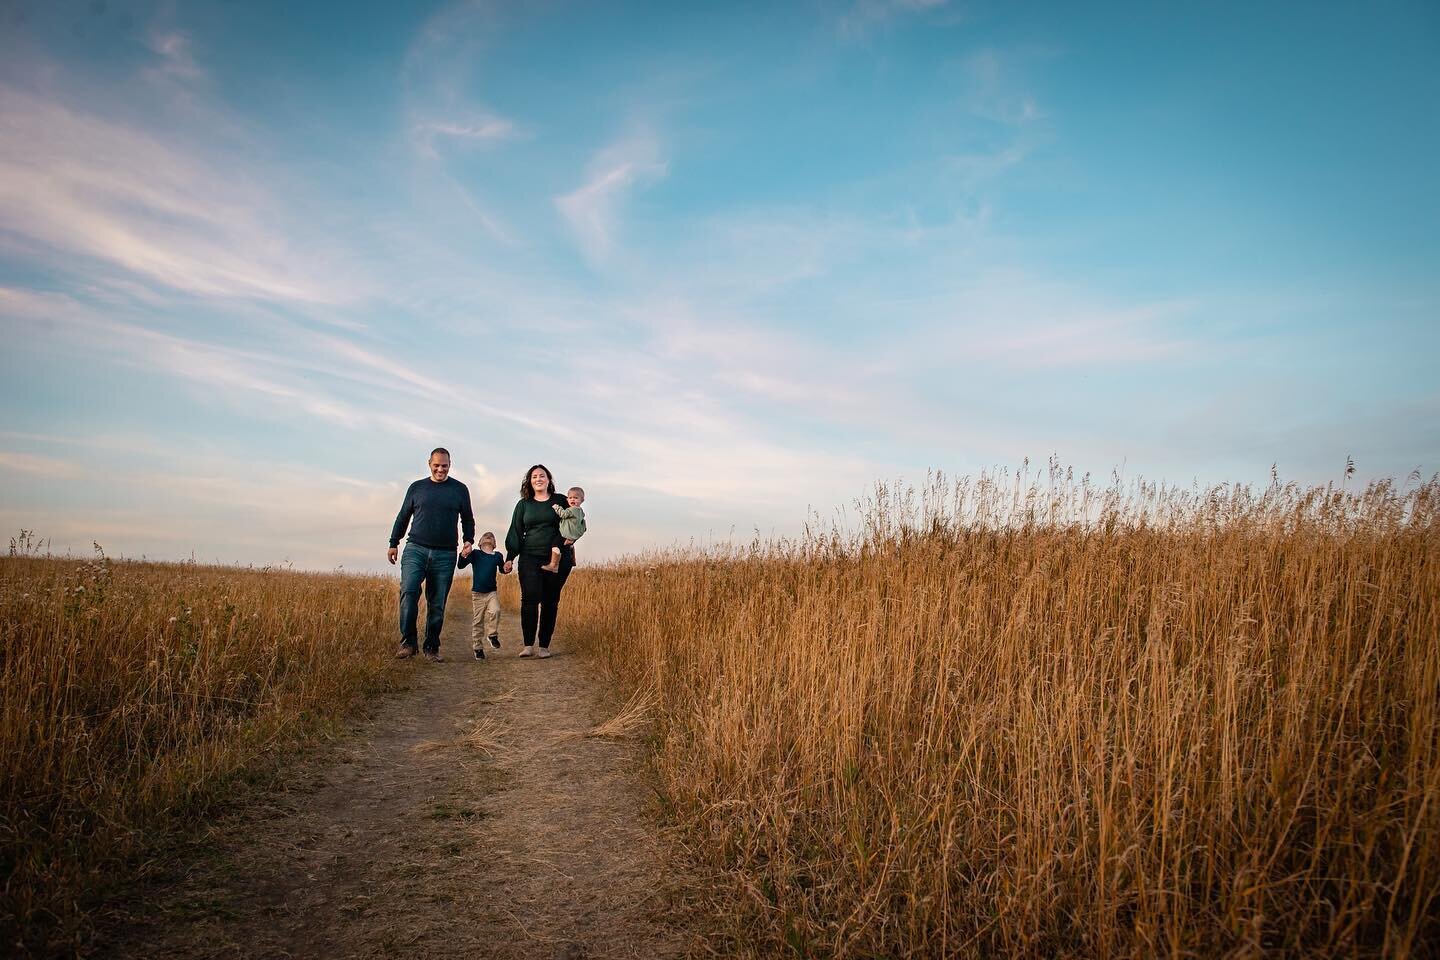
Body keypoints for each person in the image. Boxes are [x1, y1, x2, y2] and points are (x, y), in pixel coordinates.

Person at [388, 448, 475, 662]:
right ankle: (408, 643)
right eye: (436, 465)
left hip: (445, 553)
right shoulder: (417, 488)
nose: (440, 469)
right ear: (429, 464)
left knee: (437, 603)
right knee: (408, 592)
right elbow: (403, 516)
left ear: (450, 464)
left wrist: (468, 540)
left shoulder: (460, 489)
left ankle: (431, 647)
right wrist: (393, 542)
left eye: (444, 465)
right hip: (415, 549)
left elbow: (468, 518)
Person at [504, 464, 573, 659]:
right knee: (529, 599)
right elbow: (515, 531)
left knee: (551, 601)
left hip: (557, 559)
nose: (538, 479)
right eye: (534, 476)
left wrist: (573, 537)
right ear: (529, 481)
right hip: (529, 557)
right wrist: (510, 557)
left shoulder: (560, 500)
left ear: (549, 479)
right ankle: (528, 645)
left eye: (542, 476)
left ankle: (544, 646)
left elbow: (576, 519)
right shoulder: (524, 504)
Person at [457, 531, 507, 660]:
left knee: (495, 610)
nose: (489, 536)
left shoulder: (497, 556)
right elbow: (461, 565)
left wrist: (508, 567)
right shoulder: (475, 554)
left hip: (491, 593)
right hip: (477, 594)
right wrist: (463, 554)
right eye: (486, 536)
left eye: (491, 536)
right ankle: (478, 648)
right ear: (479, 543)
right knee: (478, 621)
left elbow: (503, 569)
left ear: (494, 544)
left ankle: (492, 635)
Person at [540, 486, 587, 573]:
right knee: (566, 546)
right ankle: (572, 558)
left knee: (555, 545)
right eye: (570, 498)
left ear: (582, 500)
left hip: (566, 534)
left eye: (576, 498)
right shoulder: (580, 511)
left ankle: (554, 565)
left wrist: (556, 507)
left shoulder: (572, 510)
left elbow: (563, 514)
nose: (573, 500)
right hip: (571, 534)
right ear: (567, 499)